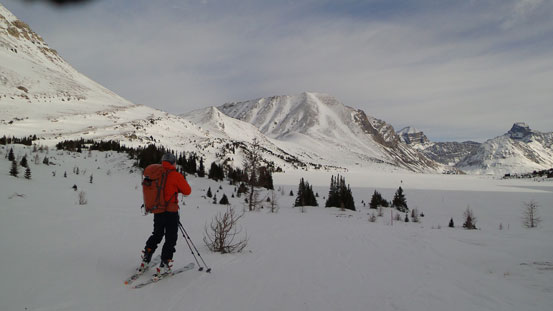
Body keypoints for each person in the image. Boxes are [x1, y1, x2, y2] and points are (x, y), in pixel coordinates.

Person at [139, 153, 191, 276]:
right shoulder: (175, 175)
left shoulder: (156, 174)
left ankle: (146, 257)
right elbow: (187, 191)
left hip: (158, 210)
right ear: (173, 163)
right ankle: (165, 264)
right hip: (171, 212)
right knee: (170, 238)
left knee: (157, 234)